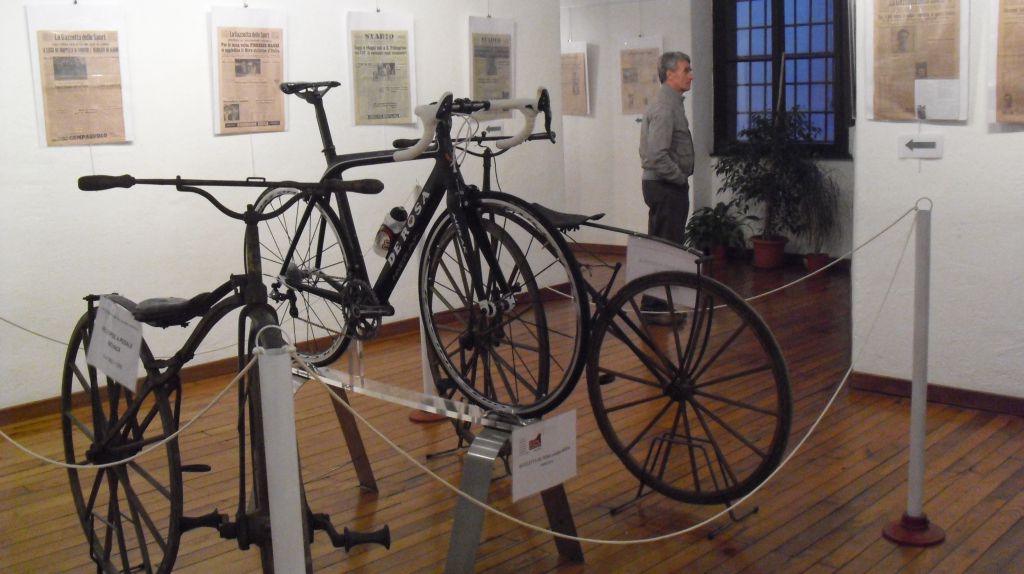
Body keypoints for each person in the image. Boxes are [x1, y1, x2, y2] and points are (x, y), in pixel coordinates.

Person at [639, 51, 694, 247]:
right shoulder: (664, 106)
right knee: (667, 249)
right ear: (670, 74)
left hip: (666, 185)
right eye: (686, 70)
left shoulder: (671, 103)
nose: (691, 76)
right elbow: (656, 155)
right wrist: (679, 178)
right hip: (666, 186)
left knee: (664, 247)